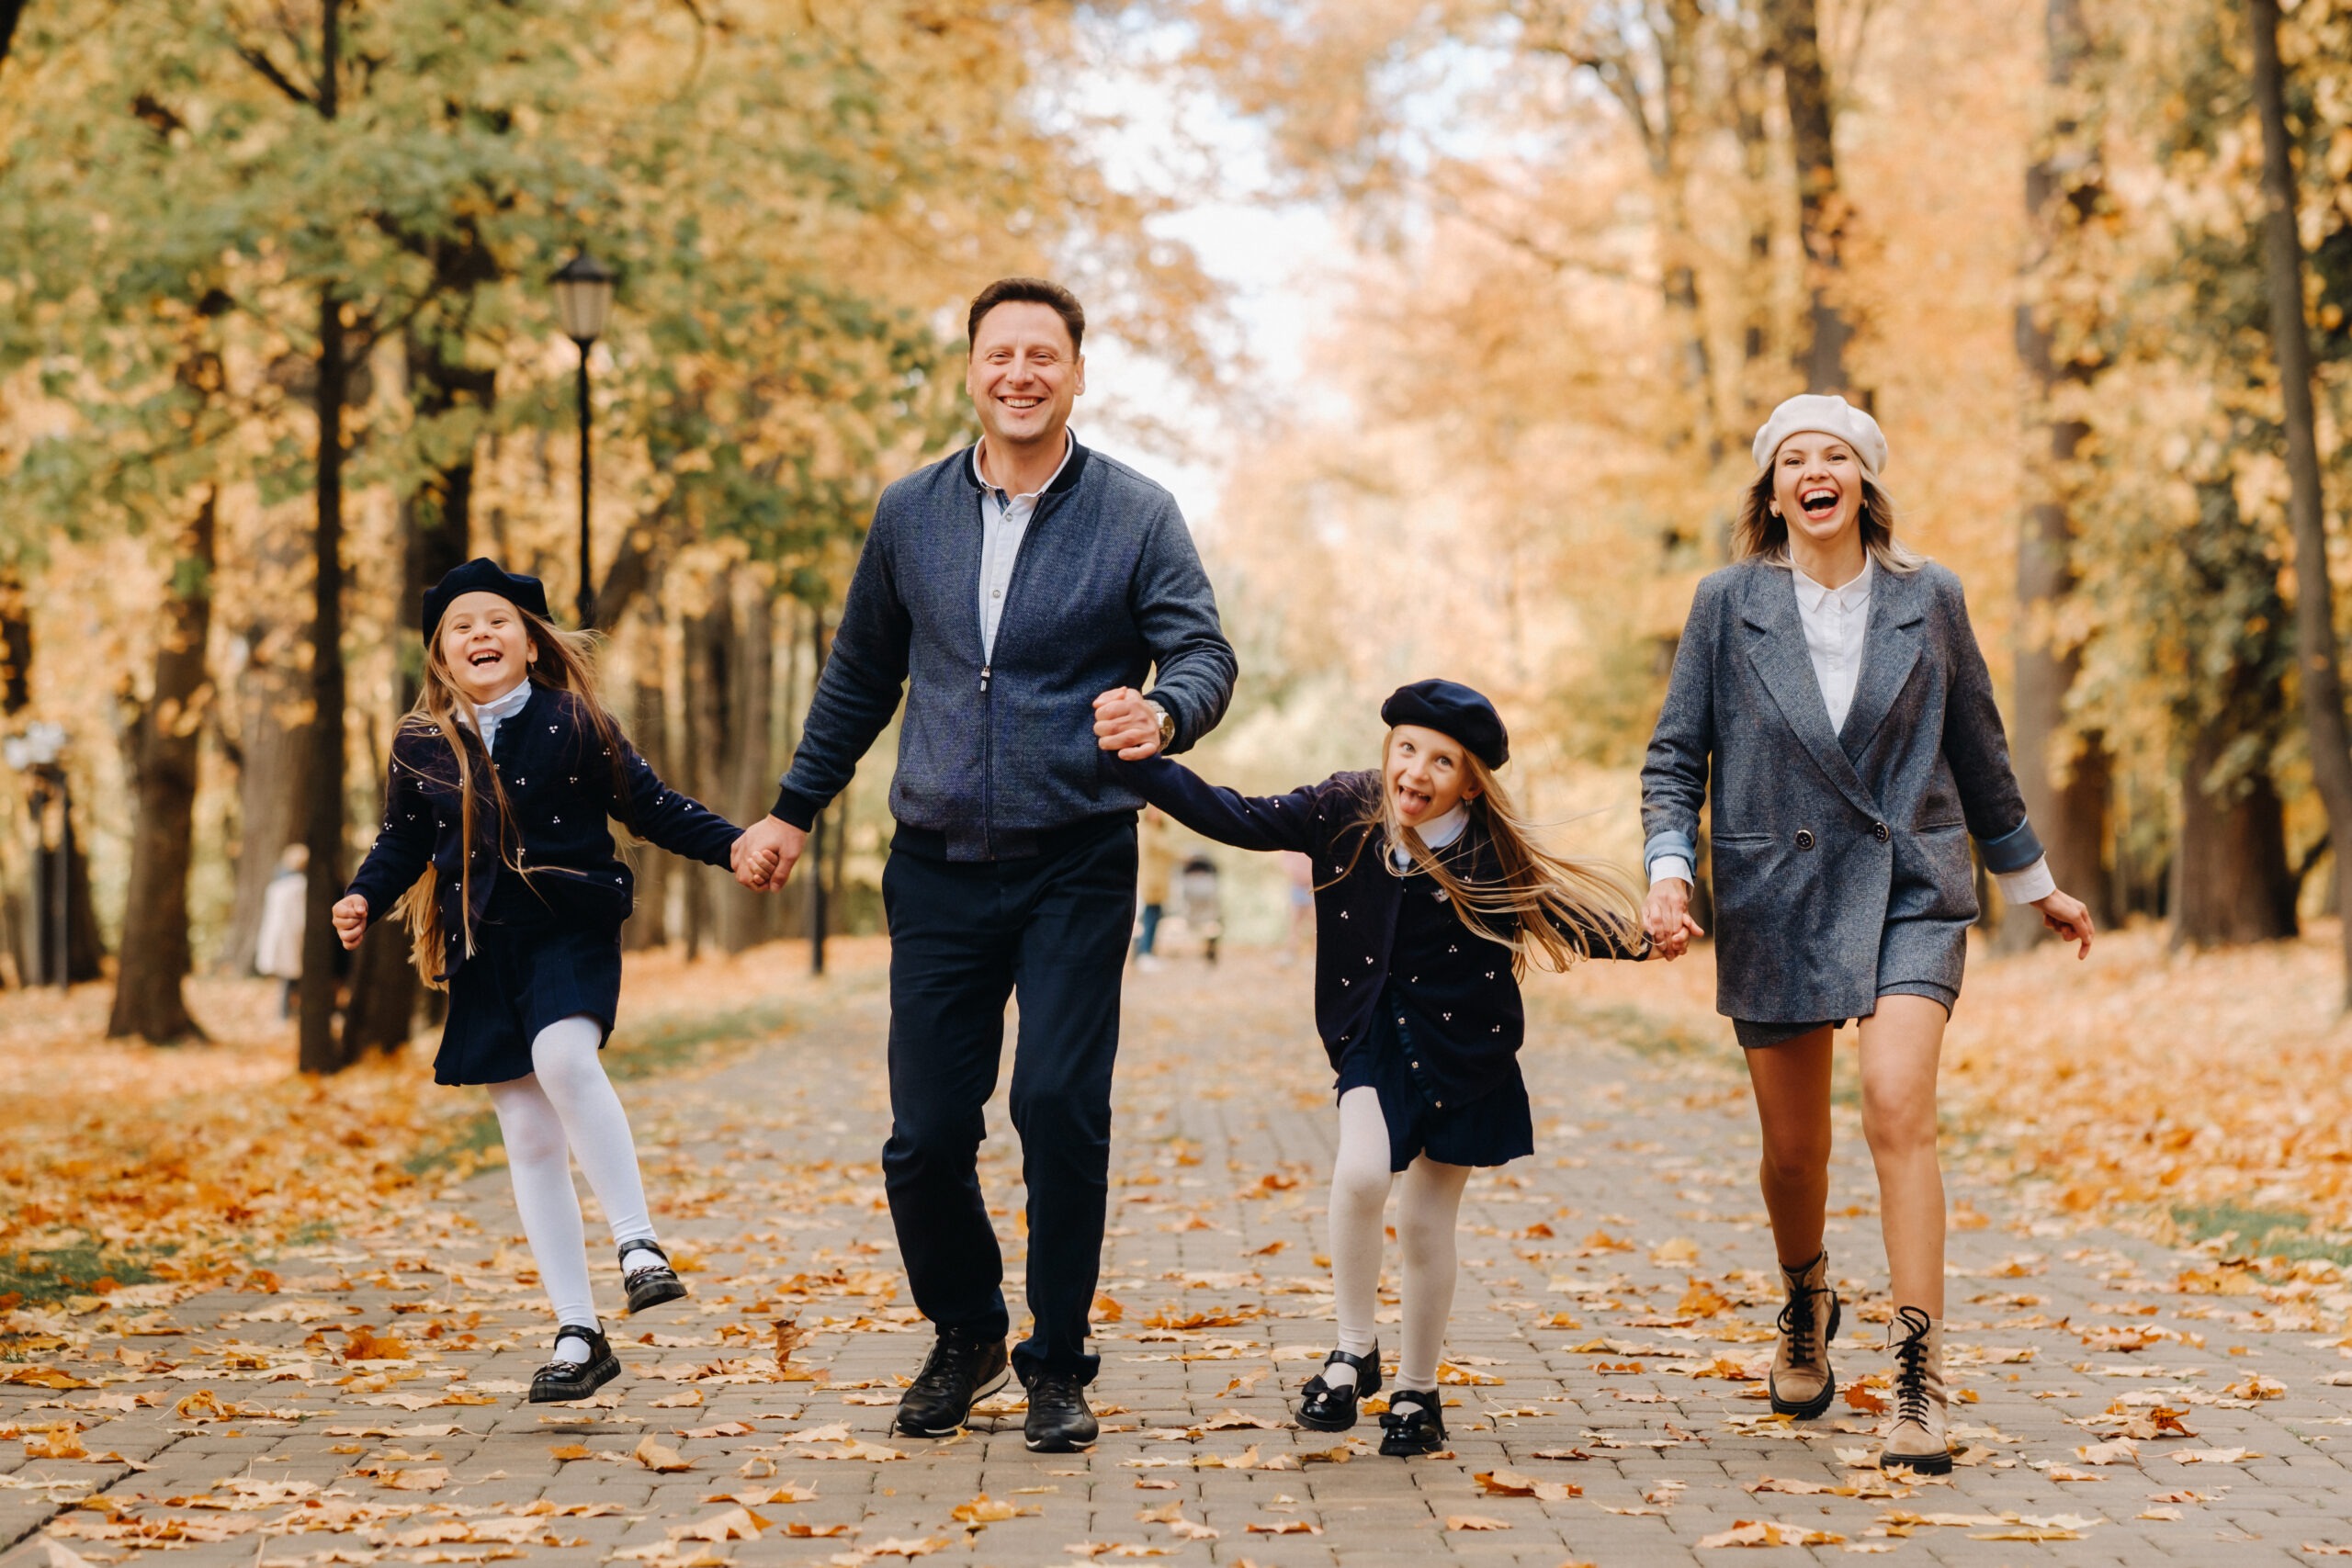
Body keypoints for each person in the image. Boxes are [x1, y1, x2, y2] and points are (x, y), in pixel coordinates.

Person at [730, 278, 1237, 1452]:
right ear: (970, 369)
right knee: (922, 1132)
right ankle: (964, 1330)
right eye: (1000, 353)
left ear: (1075, 373)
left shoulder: (1136, 511)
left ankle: (1055, 1361)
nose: (1021, 373)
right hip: (940, 864)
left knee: (1058, 1106)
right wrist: (794, 812)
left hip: (1077, 857)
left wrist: (1167, 713)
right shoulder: (911, 513)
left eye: (1043, 355)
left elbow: (1201, 648)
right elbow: (860, 674)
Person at [1639, 396, 2096, 1474]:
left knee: (1898, 1107)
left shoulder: (1927, 597)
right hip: (1774, 894)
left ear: (1862, 480)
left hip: (1910, 885)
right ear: (1772, 492)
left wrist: (2034, 883)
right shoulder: (1724, 603)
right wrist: (1668, 870)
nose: (1814, 470)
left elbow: (1978, 750)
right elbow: (1673, 757)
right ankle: (1805, 1295)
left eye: (1834, 455)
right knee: (1794, 1155)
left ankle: (1917, 1382)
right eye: (1792, 458)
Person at [1122, 680, 1645, 1457]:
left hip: (1468, 1052)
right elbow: (1236, 814)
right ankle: (1351, 1347)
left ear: (1470, 780)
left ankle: (1417, 1390)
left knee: (1428, 1223)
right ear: (1388, 748)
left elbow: (1555, 910)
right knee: (1363, 1173)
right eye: (1408, 748)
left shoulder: (1488, 850)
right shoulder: (1343, 809)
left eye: (1443, 761)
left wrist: (1642, 937)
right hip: (1370, 1037)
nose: (1418, 771)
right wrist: (1139, 766)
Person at [334, 559, 766, 1404]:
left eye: (498, 620)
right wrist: (360, 894)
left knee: (566, 1060)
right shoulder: (420, 743)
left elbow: (652, 806)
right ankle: (578, 1330)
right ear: (441, 656)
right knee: (529, 1138)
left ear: (532, 643)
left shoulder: (576, 720)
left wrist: (735, 844)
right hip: (483, 948)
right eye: (462, 626)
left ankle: (638, 1244)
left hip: (568, 927)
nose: (480, 635)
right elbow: (402, 843)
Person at [254, 843, 308, 1019]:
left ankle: (287, 1012)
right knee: (291, 977)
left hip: (282, 936)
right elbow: (299, 916)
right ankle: (286, 1014)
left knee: (289, 978)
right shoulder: (299, 886)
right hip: (292, 936)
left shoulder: (277, 885)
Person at [1133, 806, 1173, 969]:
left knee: (1154, 917)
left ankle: (1146, 952)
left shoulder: (1157, 832)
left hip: (1159, 882)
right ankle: (1144, 953)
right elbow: (1165, 851)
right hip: (1151, 882)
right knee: (1149, 917)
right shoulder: (1148, 832)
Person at [1177, 852, 1221, 964]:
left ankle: (1208, 943)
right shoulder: (1208, 869)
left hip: (1195, 896)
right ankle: (1209, 943)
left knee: (1203, 923)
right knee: (1209, 922)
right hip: (1205, 894)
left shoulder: (1190, 870)